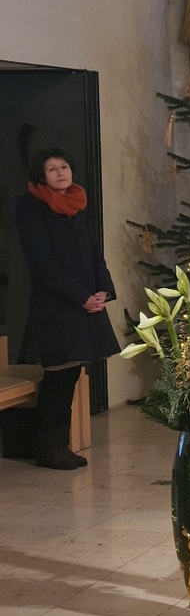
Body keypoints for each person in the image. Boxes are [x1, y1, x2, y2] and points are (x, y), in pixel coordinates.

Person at [15, 148, 120, 469]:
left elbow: (94, 254)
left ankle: (60, 444)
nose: (60, 172)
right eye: (52, 169)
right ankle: (48, 447)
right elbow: (43, 265)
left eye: (64, 166)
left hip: (84, 303)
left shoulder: (77, 205)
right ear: (41, 176)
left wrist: (102, 291)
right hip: (57, 305)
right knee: (58, 373)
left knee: (72, 373)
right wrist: (81, 297)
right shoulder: (31, 209)